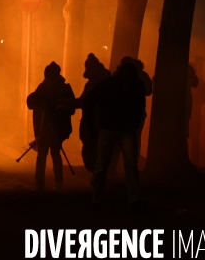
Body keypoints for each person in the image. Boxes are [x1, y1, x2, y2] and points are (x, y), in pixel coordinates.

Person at [84, 62, 146, 209]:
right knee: (130, 165)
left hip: (109, 128)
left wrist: (92, 127)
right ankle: (133, 198)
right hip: (125, 129)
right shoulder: (137, 85)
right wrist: (136, 123)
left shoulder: (108, 84)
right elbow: (140, 105)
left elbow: (89, 102)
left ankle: (97, 197)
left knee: (102, 165)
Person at [27, 61, 75, 191]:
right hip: (45, 127)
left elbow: (70, 108)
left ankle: (54, 182)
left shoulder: (62, 89)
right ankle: (42, 182)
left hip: (57, 127)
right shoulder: (44, 88)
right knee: (46, 153)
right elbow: (32, 103)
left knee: (52, 152)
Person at [75, 53, 111, 173]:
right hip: (105, 122)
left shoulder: (93, 84)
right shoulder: (107, 81)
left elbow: (84, 101)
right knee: (100, 151)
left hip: (92, 123)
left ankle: (97, 178)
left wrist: (65, 103)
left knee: (91, 152)